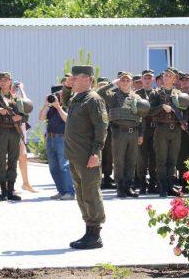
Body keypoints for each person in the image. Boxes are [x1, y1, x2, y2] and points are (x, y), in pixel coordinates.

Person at [65, 65, 107, 249]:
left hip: (88, 156)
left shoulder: (93, 99)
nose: (72, 80)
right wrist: (67, 88)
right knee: (82, 194)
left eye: (76, 78)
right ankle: (88, 230)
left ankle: (95, 235)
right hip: (76, 156)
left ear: (88, 79)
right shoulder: (77, 99)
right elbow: (64, 102)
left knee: (90, 193)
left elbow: (101, 127)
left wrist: (95, 153)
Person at [97, 72, 146, 198]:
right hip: (119, 133)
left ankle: (128, 187)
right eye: (122, 80)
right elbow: (100, 93)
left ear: (131, 83)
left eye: (127, 80)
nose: (125, 82)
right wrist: (112, 83)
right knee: (119, 162)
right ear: (119, 82)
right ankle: (120, 187)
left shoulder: (137, 98)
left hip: (133, 133)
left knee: (131, 161)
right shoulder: (113, 96)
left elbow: (142, 117)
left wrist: (141, 134)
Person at [149, 67, 189, 197]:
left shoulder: (179, 94)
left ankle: (171, 185)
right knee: (161, 159)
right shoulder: (156, 93)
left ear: (174, 79)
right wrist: (161, 107)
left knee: (173, 159)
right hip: (161, 128)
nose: (166, 77)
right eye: (165, 75)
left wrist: (184, 122)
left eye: (169, 76)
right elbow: (149, 111)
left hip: (176, 129)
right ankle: (162, 186)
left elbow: (185, 110)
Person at [0, 72, 28, 201]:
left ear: (10, 81)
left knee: (13, 160)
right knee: (0, 161)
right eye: (1, 80)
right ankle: (3, 190)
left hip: (14, 131)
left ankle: (11, 189)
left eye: (6, 80)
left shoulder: (16, 99)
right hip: (1, 132)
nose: (3, 82)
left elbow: (25, 115)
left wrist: (20, 117)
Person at [39, 86, 75, 200]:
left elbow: (67, 120)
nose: (56, 97)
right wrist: (46, 105)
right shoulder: (51, 107)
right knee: (53, 167)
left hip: (62, 138)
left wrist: (58, 107)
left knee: (64, 166)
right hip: (50, 139)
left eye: (58, 95)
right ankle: (61, 191)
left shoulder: (67, 106)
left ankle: (69, 192)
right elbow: (41, 118)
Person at [12, 81, 37, 193]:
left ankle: (26, 183)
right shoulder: (9, 97)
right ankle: (10, 184)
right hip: (12, 129)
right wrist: (13, 89)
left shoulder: (20, 100)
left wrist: (22, 89)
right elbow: (10, 97)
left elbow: (27, 105)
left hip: (21, 128)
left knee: (23, 156)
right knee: (11, 158)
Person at [135, 69, 157, 194]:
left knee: (154, 157)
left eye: (149, 78)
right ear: (142, 80)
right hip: (142, 129)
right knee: (142, 158)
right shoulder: (137, 94)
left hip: (155, 129)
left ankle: (153, 184)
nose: (147, 80)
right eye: (145, 78)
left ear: (152, 79)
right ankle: (142, 184)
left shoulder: (157, 94)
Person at [177, 72, 189, 189]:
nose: (185, 82)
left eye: (187, 80)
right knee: (182, 155)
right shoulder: (177, 94)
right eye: (183, 80)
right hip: (180, 128)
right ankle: (183, 181)